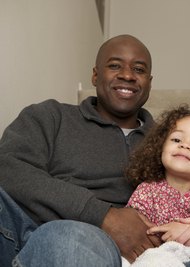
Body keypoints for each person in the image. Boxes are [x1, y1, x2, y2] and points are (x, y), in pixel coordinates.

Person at [0, 34, 163, 267]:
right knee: (64, 235)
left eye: (138, 69)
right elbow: (9, 167)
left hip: (99, 245)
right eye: (115, 65)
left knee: (69, 239)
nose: (127, 75)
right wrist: (101, 215)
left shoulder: (169, 141)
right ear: (95, 75)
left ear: (149, 81)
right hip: (26, 232)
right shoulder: (50, 116)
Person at [123, 104, 190, 266]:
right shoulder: (147, 190)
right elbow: (134, 228)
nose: (185, 145)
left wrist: (187, 234)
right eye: (176, 139)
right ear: (159, 149)